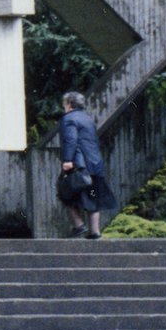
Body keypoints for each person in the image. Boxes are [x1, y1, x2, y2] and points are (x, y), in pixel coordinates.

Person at [59, 91, 117, 239]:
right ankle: (95, 231)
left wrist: (67, 160)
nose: (63, 106)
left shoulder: (69, 119)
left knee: (65, 193)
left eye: (64, 103)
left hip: (79, 164)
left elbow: (71, 140)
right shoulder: (88, 119)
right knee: (92, 195)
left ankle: (79, 225)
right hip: (94, 164)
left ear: (69, 104)